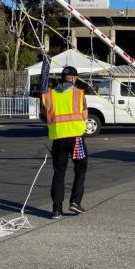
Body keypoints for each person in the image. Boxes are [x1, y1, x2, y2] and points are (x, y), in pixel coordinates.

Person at [43, 66, 89, 218]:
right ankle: (75, 201)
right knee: (80, 169)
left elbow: (44, 116)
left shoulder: (49, 95)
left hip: (58, 138)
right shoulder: (78, 93)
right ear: (74, 78)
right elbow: (84, 116)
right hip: (76, 137)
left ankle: (56, 209)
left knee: (59, 172)